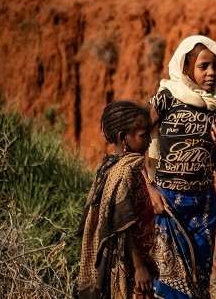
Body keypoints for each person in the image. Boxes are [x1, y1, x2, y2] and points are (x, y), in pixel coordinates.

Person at [145, 35, 216, 298]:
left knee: (197, 282)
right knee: (166, 282)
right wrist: (150, 189)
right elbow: (136, 142)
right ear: (186, 68)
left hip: (204, 205)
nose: (211, 73)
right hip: (167, 200)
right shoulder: (166, 98)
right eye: (203, 66)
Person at [78, 101, 156, 299]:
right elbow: (122, 224)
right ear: (123, 138)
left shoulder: (116, 166)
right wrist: (139, 267)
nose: (149, 141)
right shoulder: (124, 171)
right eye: (143, 135)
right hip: (130, 265)